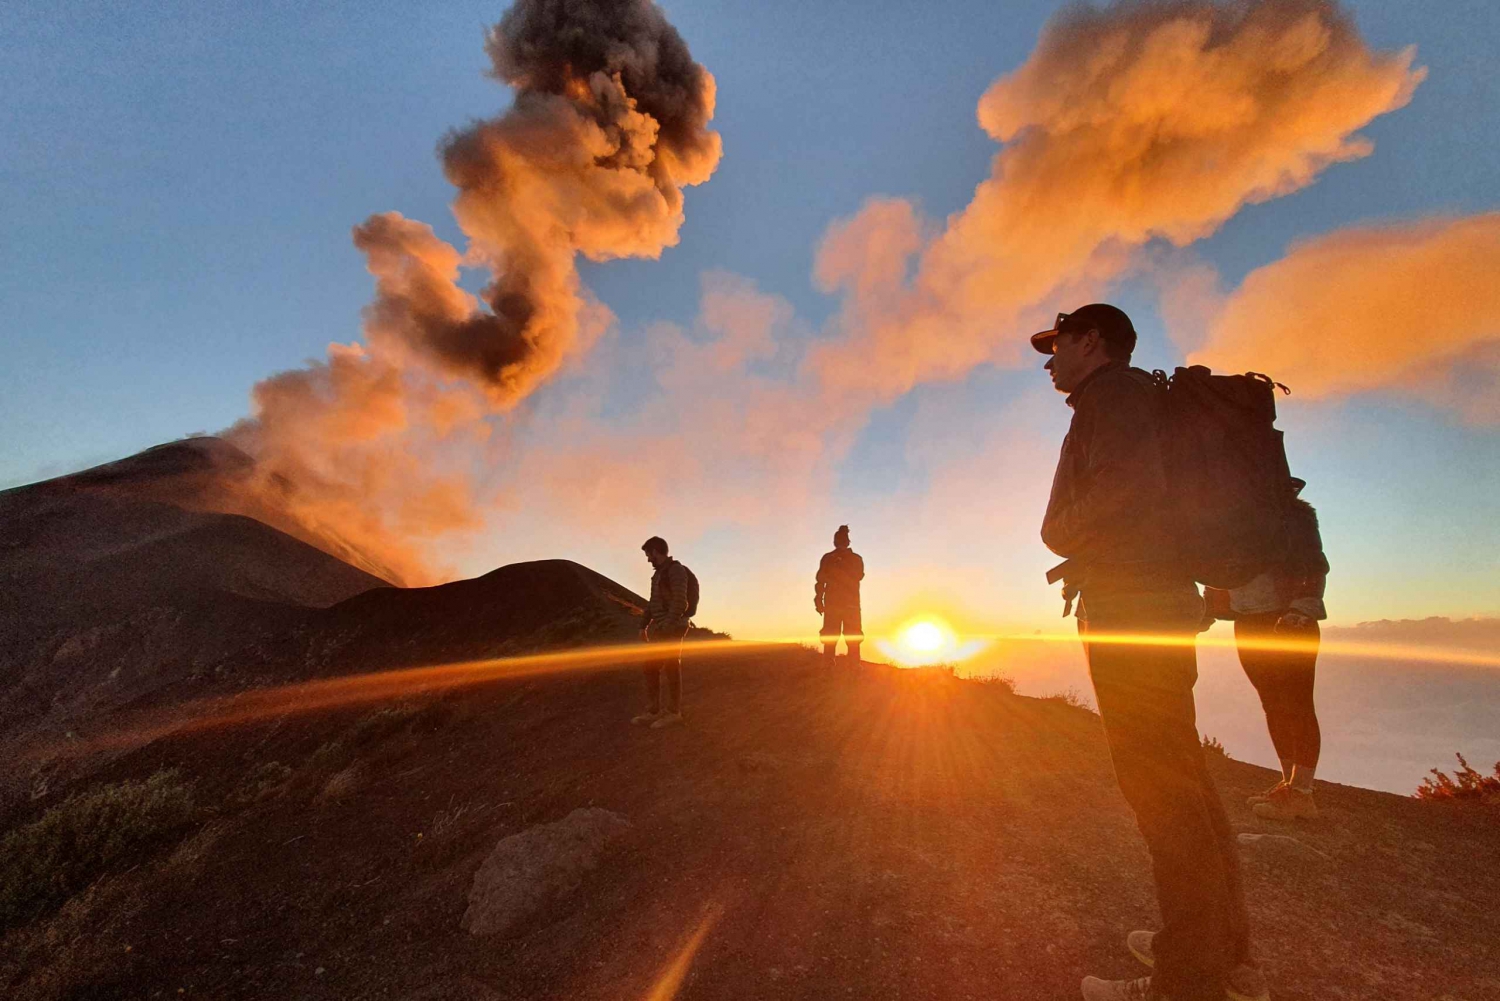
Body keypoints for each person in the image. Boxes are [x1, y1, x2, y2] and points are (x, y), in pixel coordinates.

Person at [1033, 304, 1265, 1001]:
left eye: (1057, 344)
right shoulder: (1137, 398)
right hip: (1157, 602)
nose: (1048, 360)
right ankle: (1218, 946)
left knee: (1160, 789)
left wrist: (1056, 530)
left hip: (1132, 609)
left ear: (1092, 342)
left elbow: (1122, 495)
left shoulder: (1113, 397)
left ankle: (1186, 978)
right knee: (1183, 777)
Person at [1204, 479, 1328, 821]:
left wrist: (1302, 608)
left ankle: (1303, 794)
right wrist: (1209, 608)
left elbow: (1314, 564)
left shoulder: (1296, 518)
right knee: (1272, 702)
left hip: (1289, 618)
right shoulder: (1229, 524)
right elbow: (1216, 573)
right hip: (1251, 620)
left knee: (1296, 702)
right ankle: (1290, 786)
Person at [634, 536, 693, 729]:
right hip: (664, 626)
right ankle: (654, 710)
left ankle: (673, 712)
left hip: (674, 626)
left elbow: (680, 602)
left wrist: (667, 626)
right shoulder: (658, 574)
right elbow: (653, 604)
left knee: (670, 665)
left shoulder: (676, 570)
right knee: (651, 666)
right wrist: (643, 625)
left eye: (648, 554)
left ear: (655, 551)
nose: (648, 559)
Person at [814, 524, 865, 664]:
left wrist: (819, 599)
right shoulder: (834, 558)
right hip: (846, 605)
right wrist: (818, 599)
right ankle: (844, 666)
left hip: (841, 604)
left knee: (845, 636)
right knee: (840, 636)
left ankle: (848, 667)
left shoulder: (851, 559)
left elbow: (857, 576)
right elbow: (820, 581)